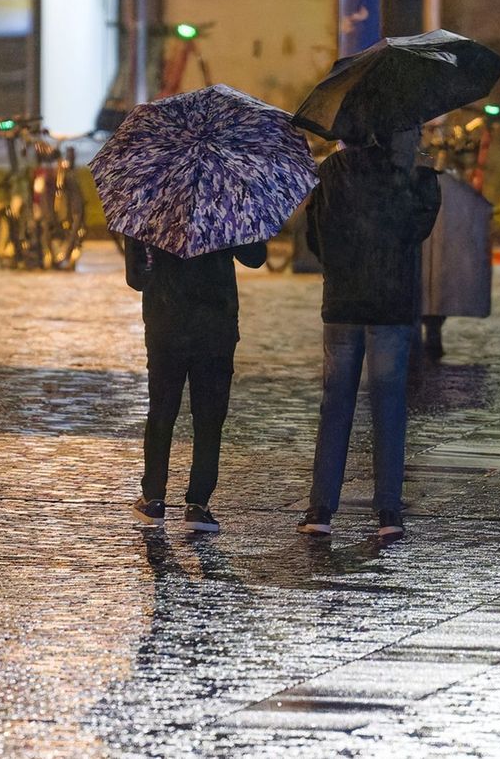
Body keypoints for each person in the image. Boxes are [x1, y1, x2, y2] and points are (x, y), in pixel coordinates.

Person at [298, 126, 441, 539]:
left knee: (336, 404)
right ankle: (388, 513)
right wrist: (424, 172)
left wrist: (342, 264)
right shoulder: (404, 173)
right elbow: (418, 229)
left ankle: (321, 509)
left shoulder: (330, 173)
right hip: (390, 304)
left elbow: (315, 237)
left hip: (342, 303)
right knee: (389, 406)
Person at [126, 238, 267, 532]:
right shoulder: (227, 203)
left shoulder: (151, 204)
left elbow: (136, 278)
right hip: (216, 323)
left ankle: (153, 497)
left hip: (166, 322)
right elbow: (255, 258)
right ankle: (198, 504)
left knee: (162, 412)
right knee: (209, 417)